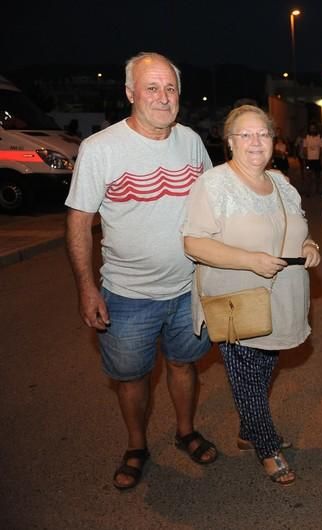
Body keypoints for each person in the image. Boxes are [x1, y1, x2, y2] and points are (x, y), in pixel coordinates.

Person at [64, 52, 218, 491]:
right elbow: (78, 222)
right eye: (152, 88)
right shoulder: (101, 149)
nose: (163, 97)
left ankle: (185, 431)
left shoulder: (190, 141)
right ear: (131, 93)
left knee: (184, 365)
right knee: (131, 377)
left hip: (190, 289)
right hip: (128, 295)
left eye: (170, 88)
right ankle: (136, 445)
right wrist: (86, 289)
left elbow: (214, 200)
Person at [182, 105, 321, 486]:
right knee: (246, 375)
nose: (255, 142)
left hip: (279, 300)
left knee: (263, 370)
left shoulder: (281, 183)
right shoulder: (214, 183)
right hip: (236, 300)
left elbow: (297, 229)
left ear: (274, 141)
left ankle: (248, 429)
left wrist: (309, 246)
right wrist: (248, 260)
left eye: (262, 134)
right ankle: (266, 445)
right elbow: (193, 242)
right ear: (229, 142)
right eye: (245, 135)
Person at [302, 123, 322, 195]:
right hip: (309, 160)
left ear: (316, 129)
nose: (312, 129)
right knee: (308, 176)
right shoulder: (306, 137)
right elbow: (304, 149)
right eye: (311, 128)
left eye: (314, 128)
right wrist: (305, 159)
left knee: (317, 176)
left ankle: (317, 191)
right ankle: (308, 191)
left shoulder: (320, 137)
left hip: (317, 159)